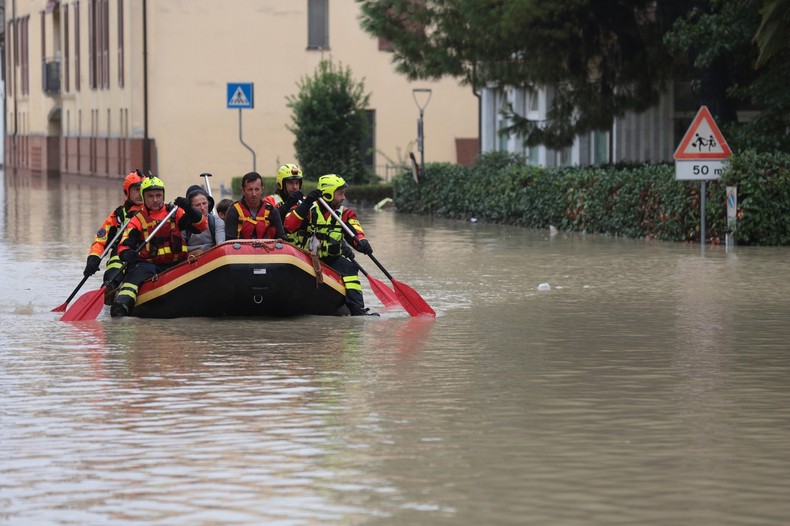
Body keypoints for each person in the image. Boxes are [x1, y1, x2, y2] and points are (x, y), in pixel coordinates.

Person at [110, 176, 208, 317]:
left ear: (163, 195)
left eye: (158, 195)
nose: (155, 200)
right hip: (148, 265)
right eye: (150, 196)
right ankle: (121, 306)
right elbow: (124, 246)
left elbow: (201, 226)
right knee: (134, 277)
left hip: (176, 263)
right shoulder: (137, 219)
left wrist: (189, 208)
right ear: (144, 197)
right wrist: (127, 254)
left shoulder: (175, 213)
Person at [284, 174, 377, 316]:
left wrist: (362, 243)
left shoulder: (346, 214)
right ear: (328, 194)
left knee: (351, 268)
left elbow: (356, 232)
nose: (344, 198)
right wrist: (307, 203)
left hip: (331, 259)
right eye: (340, 193)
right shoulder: (307, 210)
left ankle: (357, 309)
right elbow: (289, 226)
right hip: (306, 259)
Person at [83, 170, 146, 304]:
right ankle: (109, 288)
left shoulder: (153, 210)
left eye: (142, 189)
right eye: (136, 189)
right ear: (127, 192)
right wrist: (93, 258)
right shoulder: (118, 215)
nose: (140, 193)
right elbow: (101, 239)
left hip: (145, 251)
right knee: (116, 259)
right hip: (123, 252)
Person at [224, 171, 285, 240]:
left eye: (257, 189)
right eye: (250, 190)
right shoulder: (234, 210)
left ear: (262, 190)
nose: (254, 194)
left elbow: (281, 239)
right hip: (240, 250)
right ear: (243, 190)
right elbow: (229, 241)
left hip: (267, 250)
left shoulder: (272, 211)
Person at [183, 184, 225, 254]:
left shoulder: (217, 221)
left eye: (204, 203)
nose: (202, 208)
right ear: (190, 208)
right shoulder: (183, 224)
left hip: (212, 257)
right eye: (198, 205)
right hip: (189, 260)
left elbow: (221, 245)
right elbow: (180, 251)